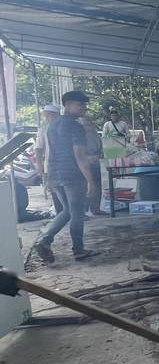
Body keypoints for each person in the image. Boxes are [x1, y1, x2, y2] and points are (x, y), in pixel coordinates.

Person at [34, 91, 99, 263]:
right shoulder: (75, 127)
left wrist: (46, 176)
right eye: (80, 105)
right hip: (73, 176)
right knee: (77, 213)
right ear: (68, 105)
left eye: (84, 105)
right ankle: (78, 250)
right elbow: (79, 156)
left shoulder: (52, 126)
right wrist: (91, 181)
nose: (83, 108)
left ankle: (45, 240)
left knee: (67, 211)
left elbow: (54, 152)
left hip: (55, 174)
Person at [35, 104, 63, 214]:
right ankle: (61, 214)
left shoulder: (64, 128)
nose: (47, 118)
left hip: (66, 165)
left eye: (49, 115)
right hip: (50, 167)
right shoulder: (44, 130)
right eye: (46, 116)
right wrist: (40, 167)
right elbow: (38, 149)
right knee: (56, 192)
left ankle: (69, 214)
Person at [79, 116, 107, 216]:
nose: (88, 127)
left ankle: (96, 208)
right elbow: (78, 152)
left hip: (96, 162)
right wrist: (88, 157)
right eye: (85, 125)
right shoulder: (79, 136)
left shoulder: (96, 135)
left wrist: (99, 155)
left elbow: (101, 148)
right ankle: (83, 210)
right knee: (87, 187)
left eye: (89, 124)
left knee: (98, 186)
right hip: (86, 164)